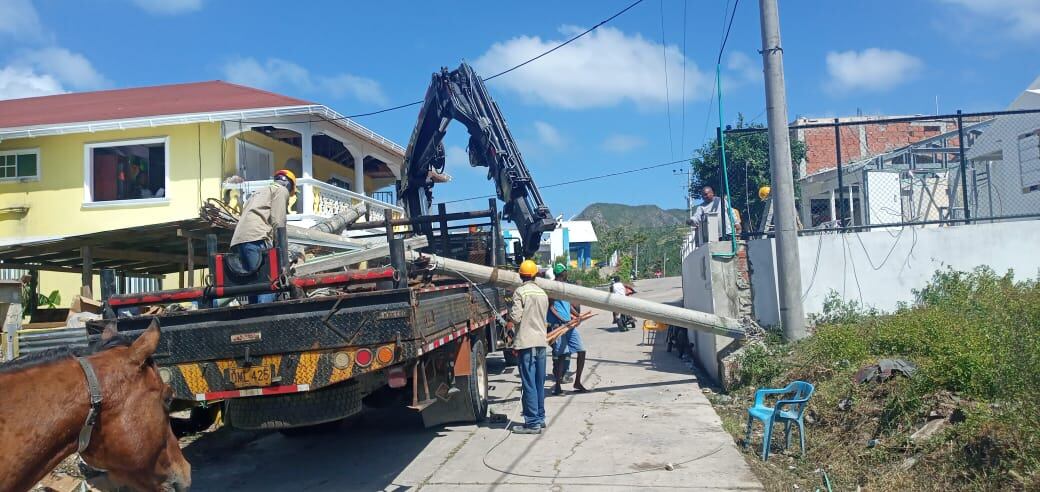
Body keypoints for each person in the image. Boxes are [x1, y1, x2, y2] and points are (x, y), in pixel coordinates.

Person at [230, 169, 295, 303]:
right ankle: (264, 319)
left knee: (253, 285)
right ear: (288, 185)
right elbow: (278, 222)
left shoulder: (258, 192)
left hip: (238, 240)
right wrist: (282, 257)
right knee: (268, 281)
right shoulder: (281, 190)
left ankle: (253, 320)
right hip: (257, 238)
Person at [509, 260, 550, 434]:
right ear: (535, 275)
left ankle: (532, 422)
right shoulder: (542, 293)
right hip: (541, 342)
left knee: (529, 383)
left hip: (527, 343)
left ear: (520, 275)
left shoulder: (520, 292)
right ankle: (540, 418)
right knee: (539, 382)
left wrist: (510, 319)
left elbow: (516, 318)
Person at [547, 263, 588, 395]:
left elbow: (567, 305)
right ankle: (558, 386)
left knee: (581, 351)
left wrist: (577, 315)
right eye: (566, 272)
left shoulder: (564, 286)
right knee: (561, 356)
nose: (567, 274)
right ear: (561, 273)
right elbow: (551, 307)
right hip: (558, 327)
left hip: (569, 325)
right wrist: (562, 319)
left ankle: (577, 382)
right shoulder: (552, 288)